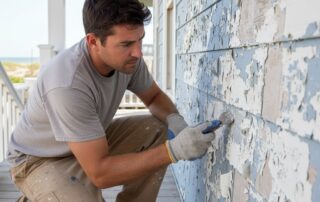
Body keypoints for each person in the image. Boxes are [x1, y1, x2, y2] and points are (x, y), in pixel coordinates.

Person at [7, 0, 216, 201]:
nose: (138, 52)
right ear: (93, 41)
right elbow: (100, 174)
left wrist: (174, 119)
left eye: (140, 39)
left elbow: (153, 97)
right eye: (126, 44)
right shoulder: (67, 83)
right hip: (39, 160)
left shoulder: (129, 60)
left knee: (156, 128)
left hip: (88, 145)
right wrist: (173, 151)